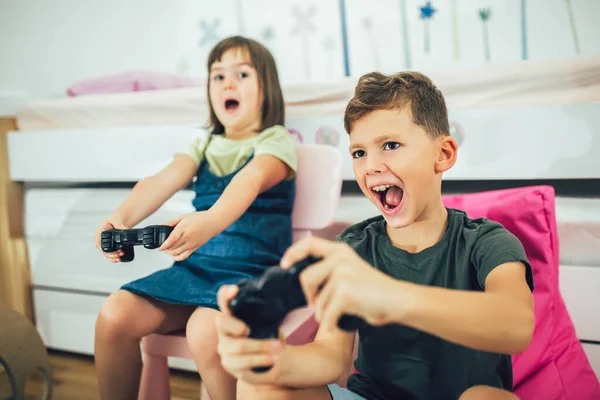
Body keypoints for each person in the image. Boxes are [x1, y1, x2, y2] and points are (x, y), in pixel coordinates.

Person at [215, 71, 535, 400]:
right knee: (259, 384)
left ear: (443, 155)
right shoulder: (354, 247)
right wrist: (270, 359)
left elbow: (517, 325)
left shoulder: (487, 242)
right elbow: (331, 357)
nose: (371, 166)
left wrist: (389, 298)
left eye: (391, 145)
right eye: (359, 153)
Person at [93, 36, 297, 400]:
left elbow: (248, 182)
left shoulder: (276, 140)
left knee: (205, 329)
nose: (228, 84)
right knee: (114, 315)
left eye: (242, 74)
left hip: (253, 274)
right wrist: (119, 218)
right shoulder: (202, 144)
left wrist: (208, 222)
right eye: (218, 77)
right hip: (195, 270)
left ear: (268, 88)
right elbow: (161, 181)